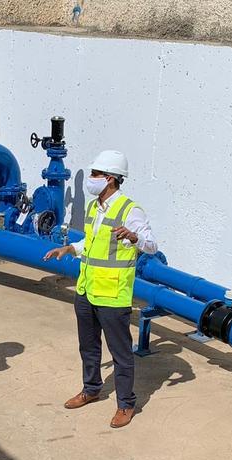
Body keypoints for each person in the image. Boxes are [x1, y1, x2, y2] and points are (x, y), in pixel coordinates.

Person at [43, 150, 158, 428]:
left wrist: (134, 236)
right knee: (89, 346)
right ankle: (91, 389)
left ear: (110, 179)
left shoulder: (130, 210)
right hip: (86, 290)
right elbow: (91, 242)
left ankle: (125, 404)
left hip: (112, 295)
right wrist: (70, 248)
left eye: (95, 174)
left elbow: (152, 244)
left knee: (120, 353)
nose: (90, 178)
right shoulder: (96, 207)